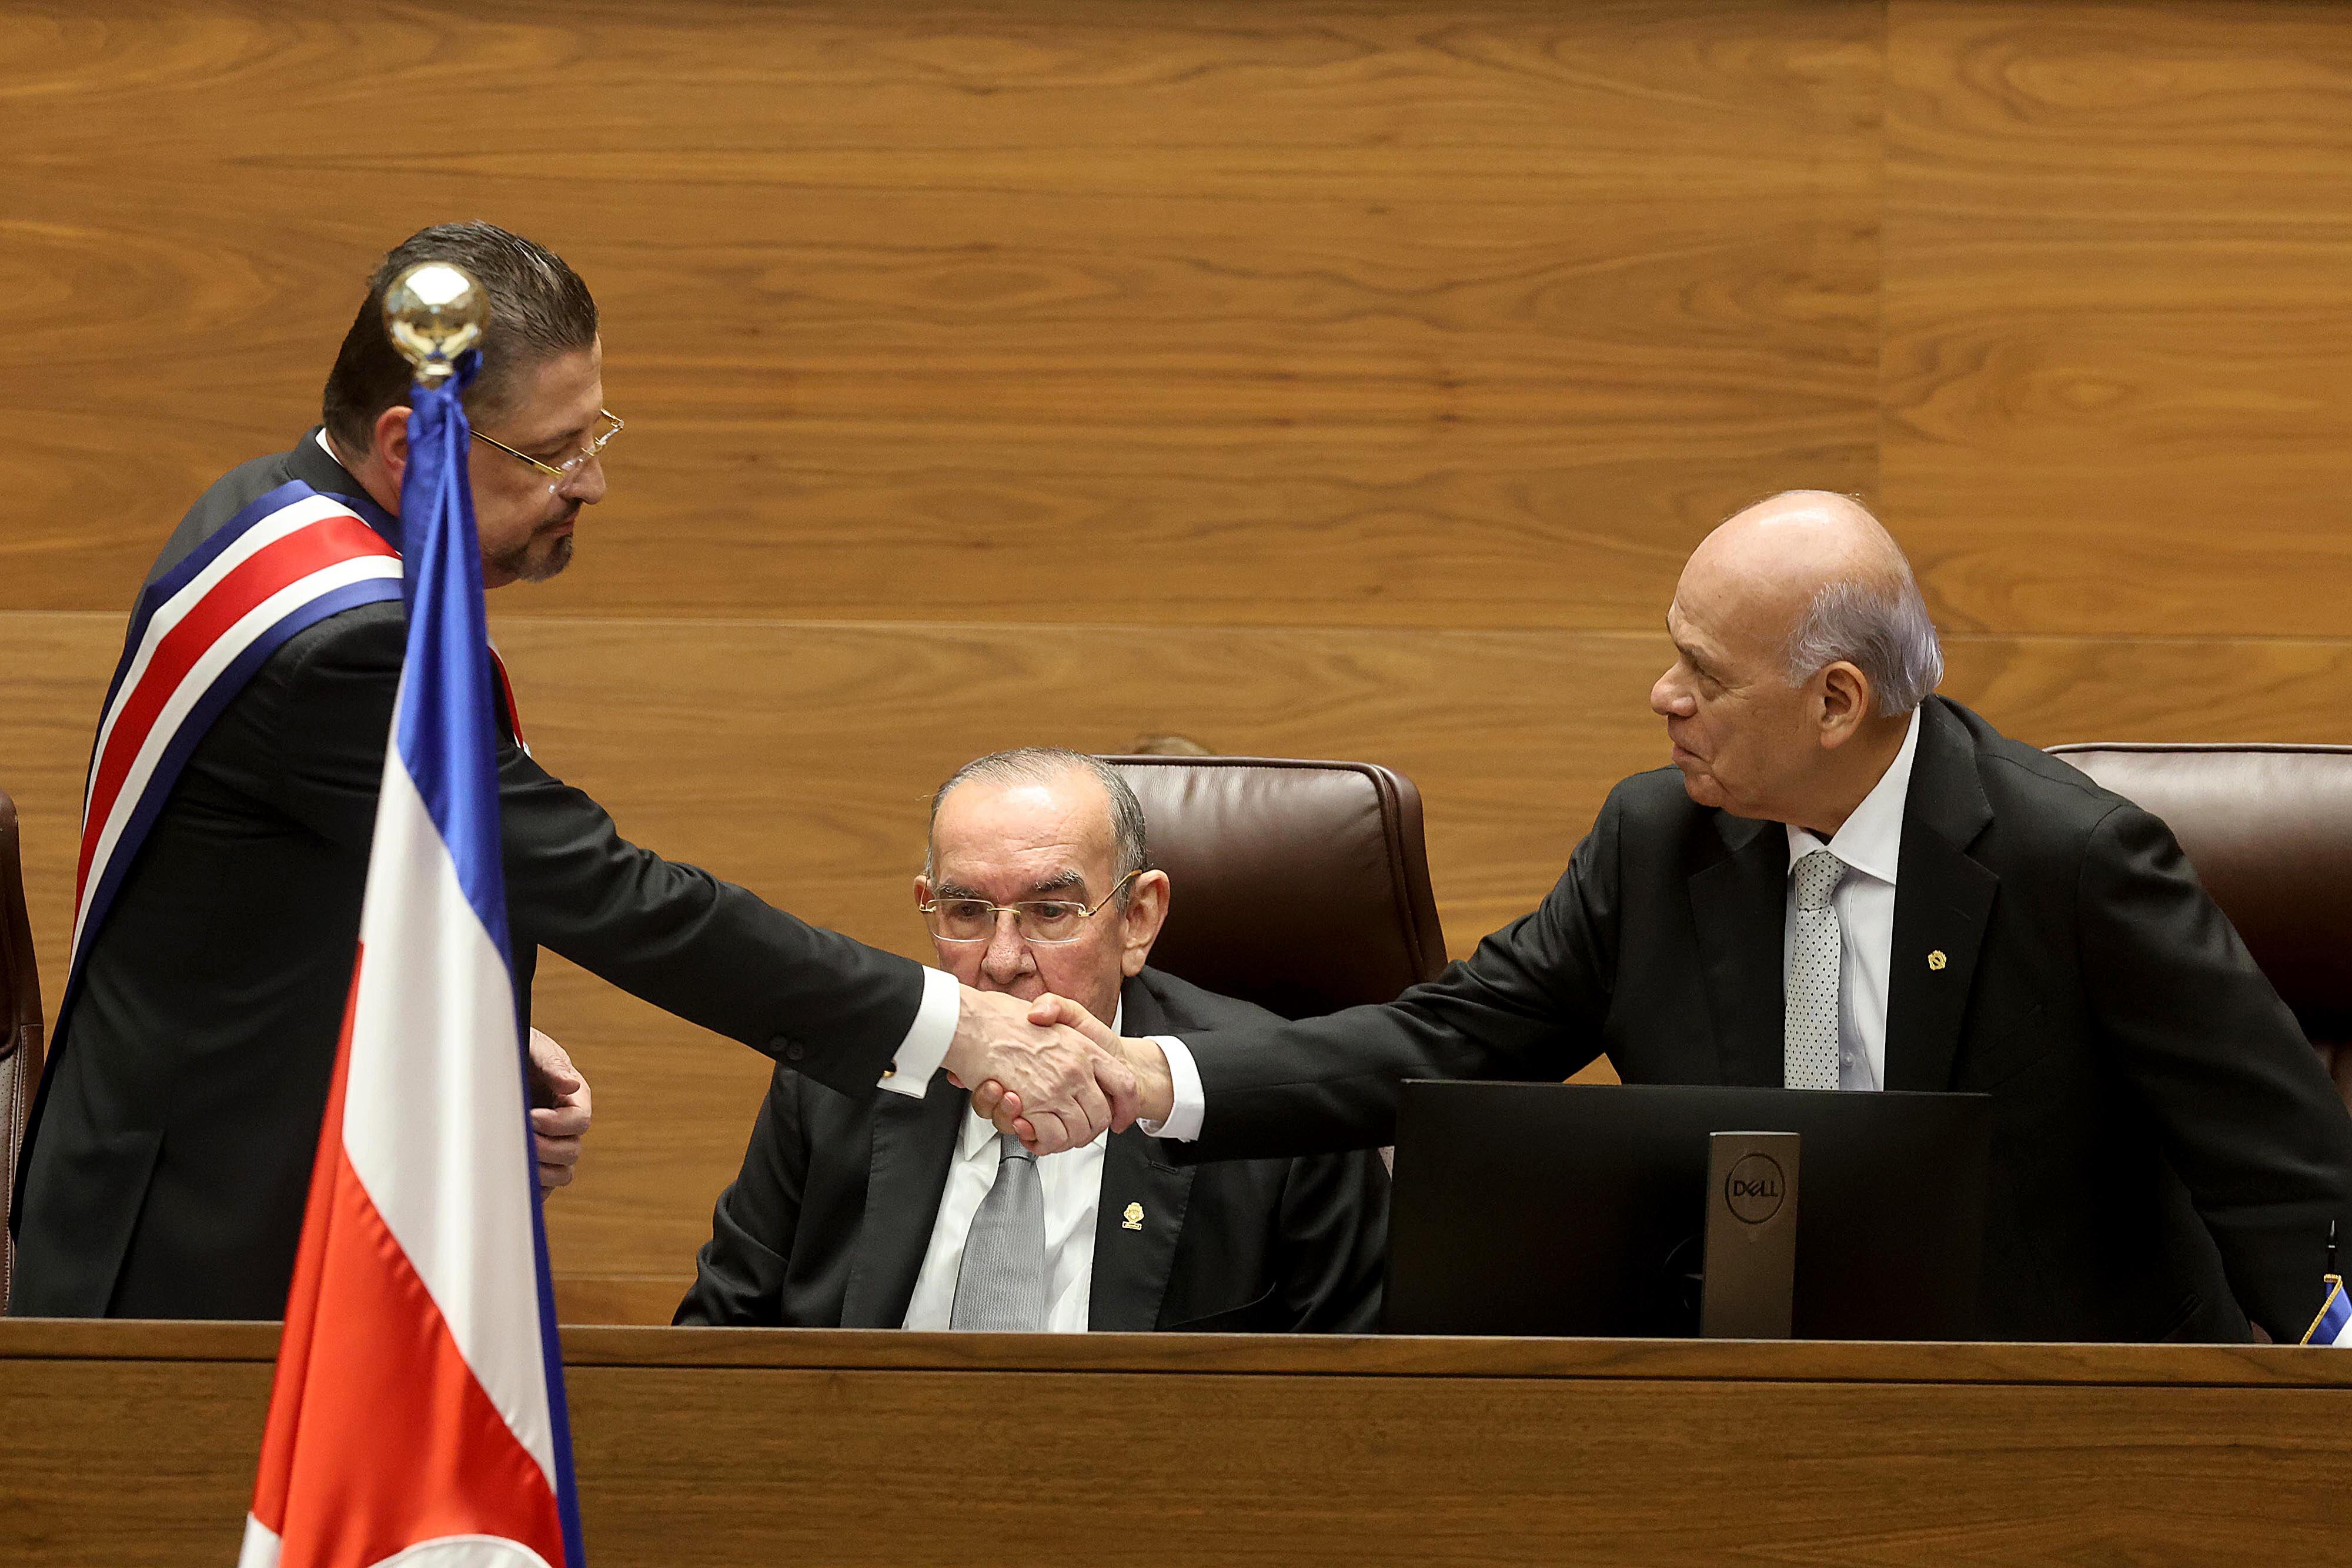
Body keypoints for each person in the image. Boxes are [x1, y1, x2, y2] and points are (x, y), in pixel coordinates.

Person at [10, 223, 1128, 1320]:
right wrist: (950, 1027)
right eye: (553, 452)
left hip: (195, 1172)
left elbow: (272, 880)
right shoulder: (349, 645)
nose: (590, 483)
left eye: (598, 434)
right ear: (409, 448)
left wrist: (470, 1018)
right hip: (202, 1263)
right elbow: (616, 896)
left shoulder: (263, 507)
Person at [1010, 491, 2352, 1343]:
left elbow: (2277, 1167)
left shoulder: (2072, 860)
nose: (1662, 695)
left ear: (1834, 704)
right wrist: (1149, 1073)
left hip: (2051, 1413)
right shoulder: (1655, 845)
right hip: (1744, 1410)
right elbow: (1453, 1038)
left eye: (1702, 674)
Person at [677, 749, 1388, 1332]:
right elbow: (715, 1346)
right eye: (966, 911)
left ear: (1138, 918)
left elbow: (1366, 1400)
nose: (1002, 959)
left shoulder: (1275, 1106)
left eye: (1050, 912)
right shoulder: (843, 1078)